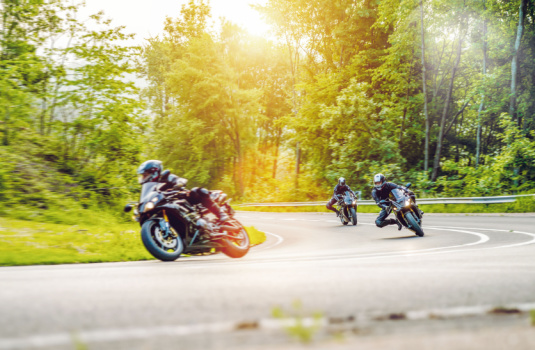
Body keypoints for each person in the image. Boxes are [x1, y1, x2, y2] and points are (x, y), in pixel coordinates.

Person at [136, 160, 229, 222]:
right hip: (170, 206)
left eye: (145, 175)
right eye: (143, 176)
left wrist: (178, 184)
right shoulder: (151, 188)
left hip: (184, 200)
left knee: (196, 191)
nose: (143, 178)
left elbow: (181, 180)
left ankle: (220, 214)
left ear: (154, 172)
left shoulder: (166, 178)